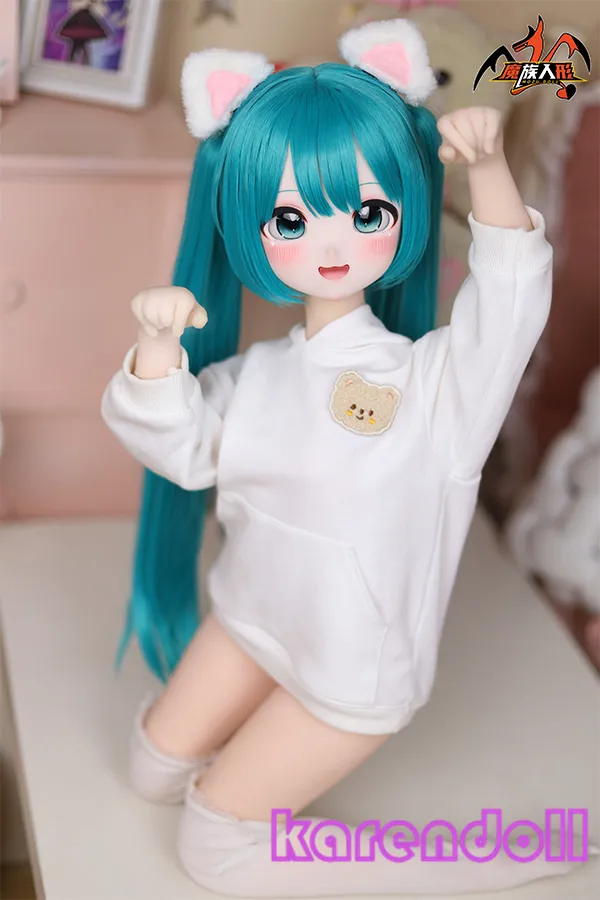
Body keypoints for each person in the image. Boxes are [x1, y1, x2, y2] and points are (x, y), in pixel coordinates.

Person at [101, 18, 569, 896]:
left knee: (209, 847)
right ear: (249, 228)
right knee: (150, 767)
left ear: (403, 211)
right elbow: (180, 448)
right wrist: (157, 356)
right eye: (289, 218)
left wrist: (489, 172)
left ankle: (469, 857)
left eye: (365, 213)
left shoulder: (434, 389)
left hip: (349, 668)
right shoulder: (258, 376)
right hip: (249, 619)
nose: (329, 244)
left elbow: (507, 311)